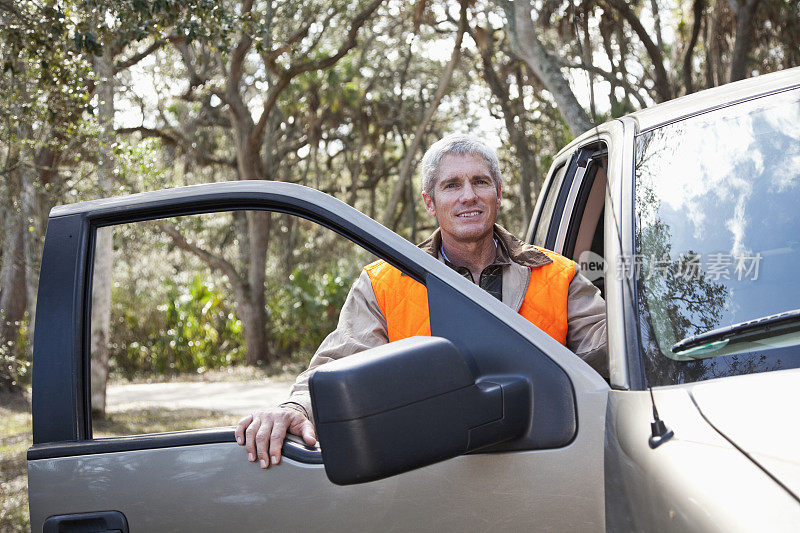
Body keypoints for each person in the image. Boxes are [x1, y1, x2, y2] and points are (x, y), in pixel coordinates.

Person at [235, 133, 607, 468]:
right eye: (451, 185)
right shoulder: (384, 283)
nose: (468, 196)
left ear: (497, 192)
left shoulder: (558, 274)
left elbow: (610, 344)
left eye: (480, 182)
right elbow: (337, 363)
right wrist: (294, 407)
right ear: (430, 202)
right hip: (430, 471)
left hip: (549, 460)